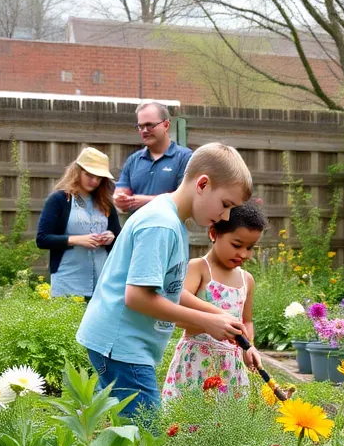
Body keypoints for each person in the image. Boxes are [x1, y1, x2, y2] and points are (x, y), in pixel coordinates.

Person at [77, 142, 253, 420]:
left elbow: (167, 292)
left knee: (130, 436)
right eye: (226, 204)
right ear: (203, 184)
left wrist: (217, 313)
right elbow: (137, 296)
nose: (225, 216)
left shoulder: (172, 221)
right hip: (122, 346)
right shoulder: (161, 225)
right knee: (148, 441)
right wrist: (206, 322)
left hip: (125, 344)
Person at [161, 202, 267, 400]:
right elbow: (177, 303)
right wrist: (216, 317)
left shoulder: (247, 280)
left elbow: (246, 321)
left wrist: (249, 347)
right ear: (214, 233)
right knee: (188, 419)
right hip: (196, 361)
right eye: (237, 245)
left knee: (225, 424)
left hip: (231, 368)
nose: (243, 254)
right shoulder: (199, 268)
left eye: (250, 248)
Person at [36, 147, 121, 300]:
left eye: (99, 177)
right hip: (68, 282)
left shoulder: (106, 202)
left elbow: (118, 238)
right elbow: (42, 239)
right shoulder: (59, 200)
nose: (94, 181)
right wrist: (77, 240)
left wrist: (110, 237)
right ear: (77, 171)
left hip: (102, 282)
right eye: (89, 175)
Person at [113, 102, 193, 213]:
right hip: (137, 229)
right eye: (140, 126)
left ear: (166, 125)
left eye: (150, 125)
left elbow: (186, 199)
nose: (145, 130)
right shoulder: (133, 160)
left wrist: (146, 201)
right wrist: (120, 199)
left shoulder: (185, 158)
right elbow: (120, 192)